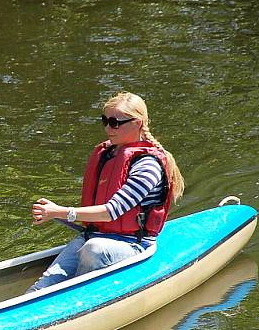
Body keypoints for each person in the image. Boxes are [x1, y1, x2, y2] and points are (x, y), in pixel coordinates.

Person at [27, 91, 185, 292]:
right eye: (105, 121)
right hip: (92, 236)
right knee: (40, 288)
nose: (109, 128)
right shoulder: (108, 154)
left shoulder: (147, 165)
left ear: (137, 123)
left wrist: (60, 212)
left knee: (94, 251)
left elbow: (113, 211)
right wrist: (56, 213)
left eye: (115, 122)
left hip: (132, 245)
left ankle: (78, 298)